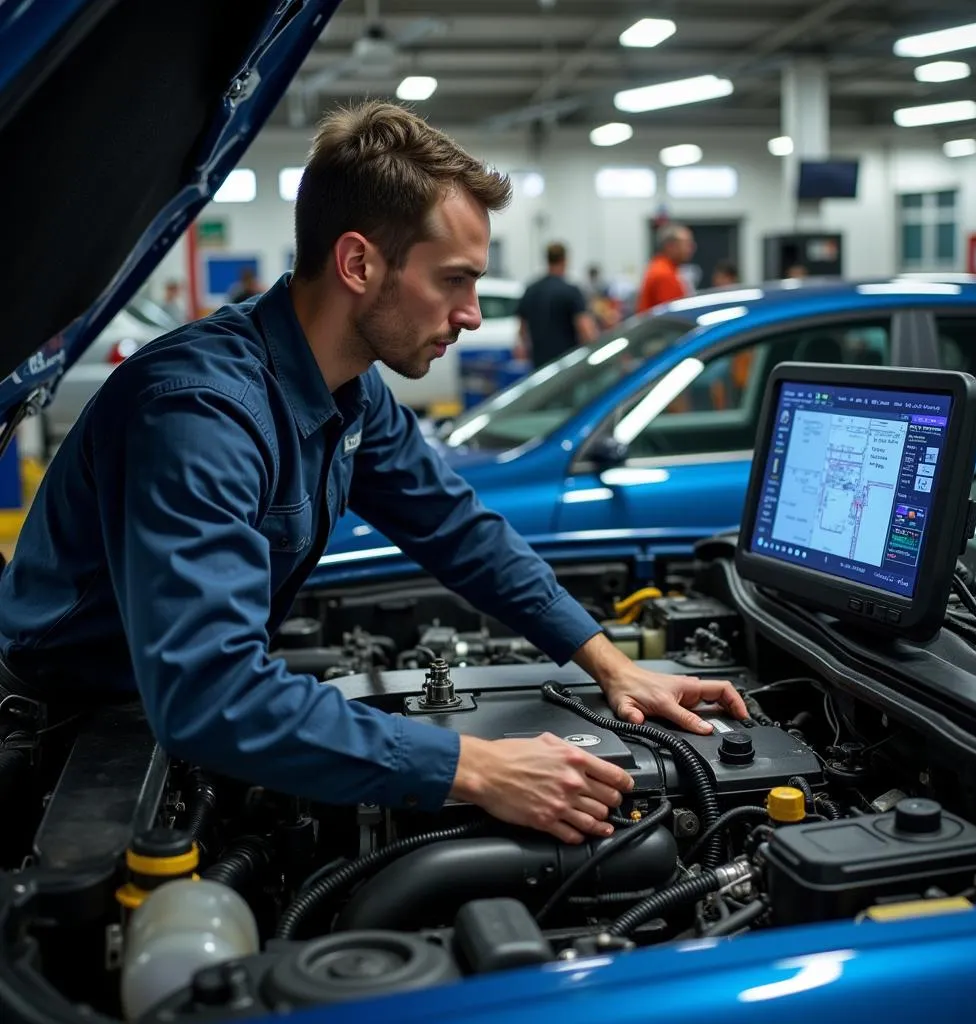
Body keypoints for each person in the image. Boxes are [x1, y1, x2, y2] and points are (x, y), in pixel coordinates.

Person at [0, 101, 746, 846]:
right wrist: (476, 768)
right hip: (64, 745)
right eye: (454, 281)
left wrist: (610, 662)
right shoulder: (198, 414)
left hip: (148, 714)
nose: (473, 315)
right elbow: (210, 692)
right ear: (359, 264)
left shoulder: (349, 389)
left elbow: (458, 530)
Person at [516, 242, 598, 366]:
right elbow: (585, 329)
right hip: (567, 364)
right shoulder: (571, 291)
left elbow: (522, 330)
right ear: (565, 260)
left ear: (547, 259)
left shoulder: (531, 289)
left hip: (539, 365)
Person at [635, 224, 695, 313]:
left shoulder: (662, 267)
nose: (692, 248)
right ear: (670, 246)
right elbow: (674, 314)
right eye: (687, 244)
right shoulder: (664, 274)